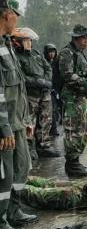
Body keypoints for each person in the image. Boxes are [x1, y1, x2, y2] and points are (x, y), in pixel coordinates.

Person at [0, 0, 38, 229]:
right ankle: (0, 223)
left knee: (21, 168)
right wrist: (3, 126)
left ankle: (13, 211)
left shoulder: (5, 45)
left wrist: (24, 121)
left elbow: (18, 88)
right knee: (4, 176)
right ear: (6, 14)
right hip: (4, 124)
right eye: (16, 14)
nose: (17, 20)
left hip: (16, 121)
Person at [58, 24, 87, 177]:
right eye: (84, 38)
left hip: (84, 98)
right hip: (73, 99)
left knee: (84, 130)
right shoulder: (67, 52)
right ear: (76, 38)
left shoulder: (81, 54)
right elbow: (67, 75)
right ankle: (72, 164)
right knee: (74, 130)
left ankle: (76, 162)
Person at [12, 28, 60, 159]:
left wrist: (47, 81)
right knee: (29, 122)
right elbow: (20, 76)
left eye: (29, 40)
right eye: (26, 41)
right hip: (29, 94)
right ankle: (29, 148)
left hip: (44, 93)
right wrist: (36, 81)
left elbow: (47, 67)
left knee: (46, 119)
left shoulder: (36, 53)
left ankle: (44, 146)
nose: (29, 43)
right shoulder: (16, 56)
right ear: (18, 42)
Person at [44, 43, 61, 137]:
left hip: (55, 90)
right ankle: (51, 129)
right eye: (49, 51)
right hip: (46, 89)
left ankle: (53, 128)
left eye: (53, 51)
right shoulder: (43, 62)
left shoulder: (56, 63)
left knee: (55, 110)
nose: (51, 54)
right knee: (49, 111)